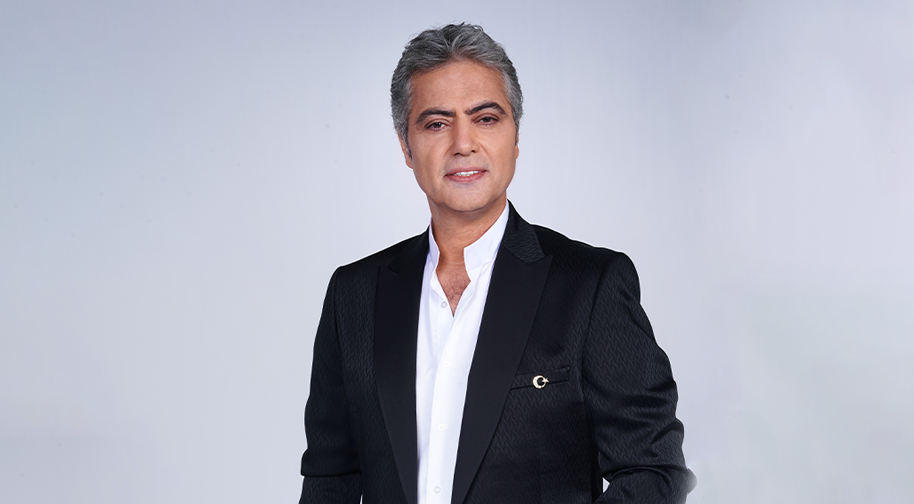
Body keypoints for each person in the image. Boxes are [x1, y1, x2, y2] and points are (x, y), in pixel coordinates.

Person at [299, 23, 695, 504]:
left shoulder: (590, 286)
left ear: (515, 137)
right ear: (406, 146)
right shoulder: (355, 295)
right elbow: (330, 479)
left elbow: (652, 470)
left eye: (486, 118)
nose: (463, 143)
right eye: (436, 124)